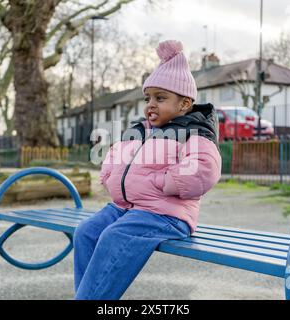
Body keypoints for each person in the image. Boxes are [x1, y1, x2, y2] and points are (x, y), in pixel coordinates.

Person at [73, 40, 222, 300]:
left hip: (165, 214)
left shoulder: (193, 131)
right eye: (148, 98)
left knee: (114, 236)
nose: (151, 104)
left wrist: (164, 181)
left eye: (160, 98)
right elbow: (115, 155)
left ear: (184, 104)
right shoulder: (140, 130)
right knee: (86, 232)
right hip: (129, 208)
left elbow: (204, 169)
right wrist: (109, 176)